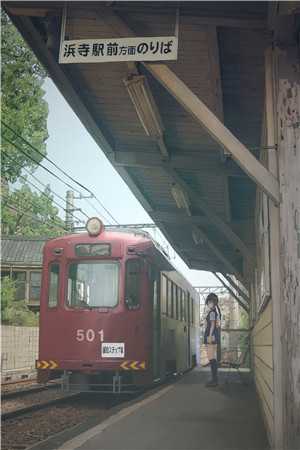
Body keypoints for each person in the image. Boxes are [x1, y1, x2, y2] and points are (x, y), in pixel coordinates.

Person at [204, 293, 221, 387]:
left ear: (213, 302)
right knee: (212, 358)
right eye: (208, 302)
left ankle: (214, 380)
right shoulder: (214, 312)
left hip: (211, 337)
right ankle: (214, 379)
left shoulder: (212, 312)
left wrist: (209, 336)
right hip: (213, 337)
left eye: (210, 302)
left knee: (211, 359)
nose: (208, 304)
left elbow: (213, 324)